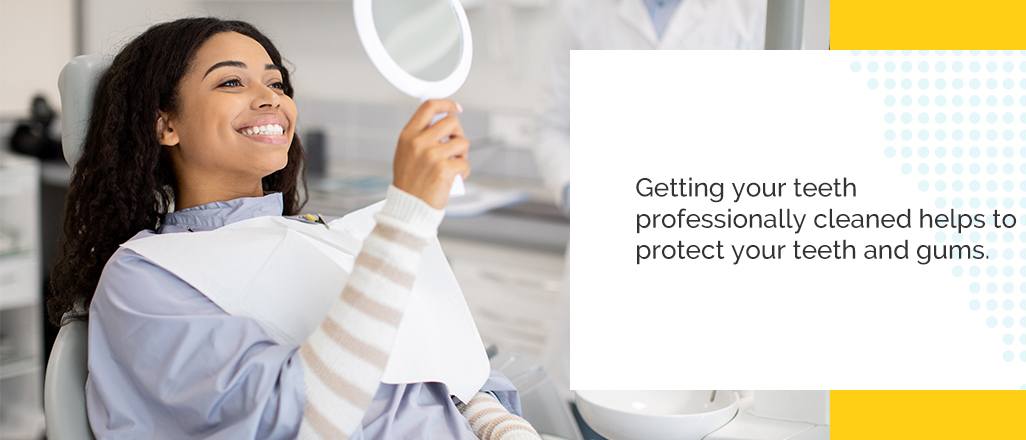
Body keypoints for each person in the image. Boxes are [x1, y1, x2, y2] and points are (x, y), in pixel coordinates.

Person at [49, 18, 538, 439]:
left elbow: (452, 375)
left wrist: (506, 428)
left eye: (277, 84)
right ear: (165, 125)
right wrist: (405, 219)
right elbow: (300, 421)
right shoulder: (145, 278)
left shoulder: (322, 235)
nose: (270, 100)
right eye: (231, 83)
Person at [532, 0, 770, 397]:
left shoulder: (748, 13)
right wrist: (579, 191)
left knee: (695, 405)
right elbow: (550, 127)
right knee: (596, 409)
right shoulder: (581, 12)